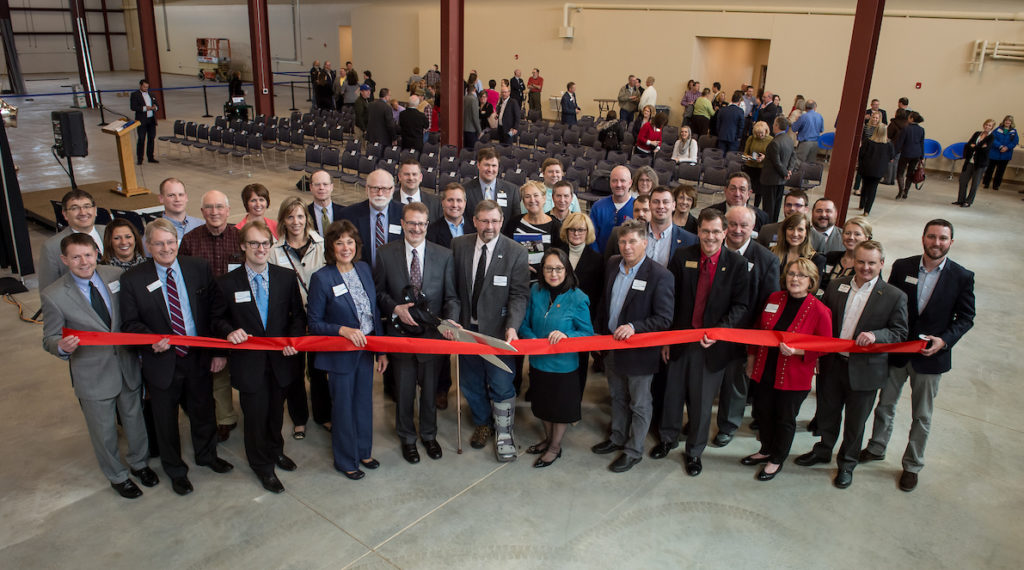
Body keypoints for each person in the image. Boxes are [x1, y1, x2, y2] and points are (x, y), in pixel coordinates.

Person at [119, 218, 234, 496]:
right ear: (148, 246)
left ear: (177, 243)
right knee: (166, 422)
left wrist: (219, 350)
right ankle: (175, 470)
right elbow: (130, 324)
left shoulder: (198, 268)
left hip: (197, 357)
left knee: (203, 411)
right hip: (161, 362)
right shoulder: (133, 279)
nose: (166, 248)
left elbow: (216, 312)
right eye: (158, 243)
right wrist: (150, 342)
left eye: (170, 242)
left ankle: (207, 456)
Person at [862, 220, 975, 492]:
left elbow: (966, 317)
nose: (937, 243)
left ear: (951, 242)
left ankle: (912, 465)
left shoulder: (962, 276)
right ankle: (877, 447)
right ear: (923, 238)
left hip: (930, 357)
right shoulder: (903, 267)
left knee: (922, 415)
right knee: (885, 404)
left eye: (943, 238)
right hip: (899, 351)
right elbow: (887, 301)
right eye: (932, 237)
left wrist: (945, 340)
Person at [41, 233, 157, 499]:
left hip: (126, 366)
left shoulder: (116, 275)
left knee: (135, 420)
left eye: (88, 254)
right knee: (103, 431)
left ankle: (140, 464)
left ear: (97, 253)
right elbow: (49, 338)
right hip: (92, 374)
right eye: (76, 257)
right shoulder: (54, 295)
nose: (84, 262)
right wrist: (61, 346)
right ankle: (117, 475)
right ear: (64, 260)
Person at [794, 240, 908, 489]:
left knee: (855, 422)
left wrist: (877, 336)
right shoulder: (837, 285)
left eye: (871, 263)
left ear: (881, 264)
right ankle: (823, 449)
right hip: (833, 364)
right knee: (828, 411)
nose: (865, 267)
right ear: (853, 261)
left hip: (865, 370)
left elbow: (900, 332)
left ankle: (847, 463)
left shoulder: (894, 296)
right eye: (860, 261)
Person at [652, 209, 749, 476]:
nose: (710, 237)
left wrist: (719, 331)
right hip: (681, 341)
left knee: (702, 403)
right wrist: (667, 339)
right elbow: (669, 300)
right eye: (705, 231)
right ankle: (668, 439)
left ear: (725, 232)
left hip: (712, 347)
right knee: (672, 396)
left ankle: (694, 452)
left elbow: (741, 306)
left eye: (716, 231)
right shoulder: (683, 257)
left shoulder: (738, 265)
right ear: (699, 232)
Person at [212, 221, 305, 493]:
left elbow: (297, 317)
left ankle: (276, 451)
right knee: (255, 417)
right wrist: (230, 331)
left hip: (280, 361)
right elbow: (216, 319)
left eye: (265, 243)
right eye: (254, 243)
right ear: (243, 246)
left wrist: (293, 341)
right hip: (249, 364)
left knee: (276, 413)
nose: (260, 249)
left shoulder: (285, 278)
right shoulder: (228, 283)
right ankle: (262, 466)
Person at [374, 202, 459, 464]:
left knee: (431, 391)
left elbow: (452, 297)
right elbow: (378, 293)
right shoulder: (385, 253)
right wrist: (395, 308)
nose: (417, 228)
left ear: (427, 225)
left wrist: (450, 321)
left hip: (433, 338)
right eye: (411, 223)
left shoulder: (444, 255)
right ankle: (408, 438)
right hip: (400, 337)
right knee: (404, 392)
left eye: (422, 223)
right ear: (402, 224)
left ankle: (429, 435)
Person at [591, 220, 675, 473]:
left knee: (639, 403)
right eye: (623, 241)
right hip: (611, 347)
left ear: (645, 243)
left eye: (633, 242)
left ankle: (634, 450)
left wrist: (635, 327)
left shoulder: (661, 276)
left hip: (640, 353)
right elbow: (605, 301)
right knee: (617, 397)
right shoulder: (612, 264)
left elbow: (664, 318)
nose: (627, 247)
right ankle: (617, 437)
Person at [307, 220, 387, 480]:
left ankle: (364, 451)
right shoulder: (322, 278)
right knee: (343, 408)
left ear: (357, 245)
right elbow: (314, 323)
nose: (345, 247)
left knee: (364, 404)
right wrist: (342, 330)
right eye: (339, 242)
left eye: (350, 242)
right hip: (339, 355)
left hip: (365, 352)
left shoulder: (363, 269)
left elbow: (374, 312)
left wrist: (381, 350)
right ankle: (345, 460)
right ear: (330, 246)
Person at [451, 200, 529, 461]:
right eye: (484, 221)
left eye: (495, 221)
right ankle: (483, 423)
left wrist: (513, 327)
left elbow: (519, 295)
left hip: (498, 333)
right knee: (470, 382)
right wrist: (452, 320)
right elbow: (452, 291)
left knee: (501, 382)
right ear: (474, 221)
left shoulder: (515, 251)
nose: (490, 226)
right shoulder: (459, 245)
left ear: (502, 220)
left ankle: (504, 432)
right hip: (467, 331)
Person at [742, 258, 832, 481]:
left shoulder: (820, 310)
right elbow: (757, 331)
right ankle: (765, 449)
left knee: (784, 418)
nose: (795, 279)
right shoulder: (774, 298)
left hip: (794, 376)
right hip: (765, 369)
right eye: (791, 274)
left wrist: (798, 351)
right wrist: (751, 360)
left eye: (801, 275)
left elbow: (826, 346)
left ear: (811, 280)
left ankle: (777, 458)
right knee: (762, 412)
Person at [713, 206, 780, 447]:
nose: (737, 230)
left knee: (734, 383)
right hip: (709, 332)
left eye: (744, 226)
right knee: (706, 380)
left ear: (753, 229)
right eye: (732, 224)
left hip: (743, 335)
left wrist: (755, 340)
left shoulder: (767, 260)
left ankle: (728, 425)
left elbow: (769, 303)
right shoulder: (712, 249)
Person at [520, 248, 593, 468]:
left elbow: (587, 333)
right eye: (549, 268)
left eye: (559, 268)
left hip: (563, 366)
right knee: (542, 405)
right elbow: (524, 324)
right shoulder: (535, 291)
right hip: (538, 361)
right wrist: (533, 340)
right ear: (542, 270)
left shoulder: (578, 298)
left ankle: (555, 447)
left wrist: (567, 335)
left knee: (559, 409)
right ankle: (548, 439)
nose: (553, 273)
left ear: (567, 270)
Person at [179, 190, 243, 440]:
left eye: (219, 207)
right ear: (202, 212)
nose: (215, 212)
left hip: (238, 313)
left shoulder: (240, 238)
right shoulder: (190, 240)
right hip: (204, 314)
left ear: (228, 210)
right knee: (216, 369)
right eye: (209, 208)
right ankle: (224, 418)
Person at [270, 197, 327, 439]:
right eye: (290, 216)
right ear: (283, 219)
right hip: (289, 318)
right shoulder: (273, 251)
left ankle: (324, 414)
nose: (296, 222)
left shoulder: (322, 244)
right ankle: (299, 418)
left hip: (318, 316)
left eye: (300, 216)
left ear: (307, 218)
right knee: (293, 370)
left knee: (318, 369)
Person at [560, 212, 604, 394]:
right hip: (558, 317)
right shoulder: (557, 254)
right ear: (566, 231)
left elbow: (599, 294)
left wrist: (594, 325)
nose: (576, 233)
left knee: (580, 363)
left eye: (581, 229)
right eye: (572, 229)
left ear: (588, 232)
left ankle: (574, 401)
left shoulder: (597, 259)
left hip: (582, 322)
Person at [38, 189, 106, 293]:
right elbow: (47, 291)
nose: (83, 213)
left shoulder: (110, 233)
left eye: (87, 206)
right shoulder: (52, 247)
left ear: (95, 210)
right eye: (75, 208)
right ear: (65, 214)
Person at [338, 169, 404, 266]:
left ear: (393, 189)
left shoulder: (404, 213)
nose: (380, 194)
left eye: (385, 189)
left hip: (394, 276)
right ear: (366, 189)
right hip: (362, 274)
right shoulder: (348, 215)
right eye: (375, 188)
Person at [505, 181, 564, 280]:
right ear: (523, 201)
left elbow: (561, 257)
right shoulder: (513, 223)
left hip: (546, 280)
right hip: (517, 278)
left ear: (544, 198)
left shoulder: (556, 226)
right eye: (527, 196)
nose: (532, 200)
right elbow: (504, 249)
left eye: (536, 195)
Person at [463, 147, 521, 231]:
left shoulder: (512, 190)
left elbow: (515, 222)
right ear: (478, 165)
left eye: (494, 166)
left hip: (502, 241)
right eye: (486, 165)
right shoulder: (465, 190)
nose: (490, 170)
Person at [819, 216, 872, 295]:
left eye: (857, 234)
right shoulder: (831, 257)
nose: (851, 237)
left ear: (866, 238)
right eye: (847, 233)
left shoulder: (869, 266)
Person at [770, 213, 826, 286]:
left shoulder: (816, 259)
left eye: (800, 230)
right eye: (791, 228)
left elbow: (813, 289)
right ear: (784, 231)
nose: (795, 234)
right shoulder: (770, 253)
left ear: (806, 233)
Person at [589, 166, 634, 255]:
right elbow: (591, 237)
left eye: (623, 181)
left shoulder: (637, 208)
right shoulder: (598, 206)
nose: (618, 185)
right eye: (614, 181)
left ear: (630, 183)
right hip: (599, 260)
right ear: (610, 183)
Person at [857, 113, 896, 215]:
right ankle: (867, 210)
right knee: (873, 189)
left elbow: (861, 154)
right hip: (878, 170)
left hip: (866, 168)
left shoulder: (868, 142)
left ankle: (861, 204)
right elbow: (892, 157)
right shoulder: (888, 145)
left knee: (865, 186)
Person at [954, 119, 996, 207]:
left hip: (980, 163)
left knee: (975, 183)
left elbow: (985, 149)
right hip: (970, 161)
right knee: (963, 180)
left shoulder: (991, 137)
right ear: (984, 125)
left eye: (990, 125)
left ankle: (968, 201)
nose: (987, 126)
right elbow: (969, 144)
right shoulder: (977, 133)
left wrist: (975, 147)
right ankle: (960, 200)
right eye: (986, 124)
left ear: (992, 127)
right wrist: (978, 147)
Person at [743, 120, 774, 214]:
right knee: (748, 187)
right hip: (750, 166)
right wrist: (750, 157)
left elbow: (772, 156)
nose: (759, 135)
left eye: (761, 133)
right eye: (757, 133)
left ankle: (755, 208)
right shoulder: (751, 139)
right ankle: (745, 206)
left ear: (766, 131)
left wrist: (764, 158)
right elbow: (744, 154)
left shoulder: (771, 140)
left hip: (762, 168)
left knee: (759, 190)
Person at [894, 111, 925, 200]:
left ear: (911, 119)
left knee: (900, 173)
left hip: (906, 153)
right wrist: (922, 156)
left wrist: (894, 153)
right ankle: (906, 192)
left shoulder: (906, 128)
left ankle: (901, 190)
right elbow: (921, 143)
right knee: (910, 173)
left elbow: (900, 143)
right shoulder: (921, 129)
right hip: (916, 154)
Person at [427, 183, 468, 249]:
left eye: (459, 200)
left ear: (465, 203)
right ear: (442, 203)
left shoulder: (475, 228)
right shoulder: (432, 231)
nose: (454, 205)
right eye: (450, 200)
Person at [982, 115, 1018, 191]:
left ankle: (996, 185)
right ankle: (986, 183)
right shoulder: (997, 130)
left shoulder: (1014, 132)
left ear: (1011, 122)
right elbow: (993, 139)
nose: (1007, 122)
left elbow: (1015, 142)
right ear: (1004, 121)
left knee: (1000, 171)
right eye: (1006, 120)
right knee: (990, 169)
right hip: (994, 153)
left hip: (1005, 155)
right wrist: (1000, 146)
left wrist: (1007, 147)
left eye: (1009, 121)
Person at [130, 79, 159, 165]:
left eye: (147, 87)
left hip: (151, 120)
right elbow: (133, 107)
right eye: (144, 87)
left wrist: (155, 107)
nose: (146, 88)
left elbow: (157, 105)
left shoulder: (152, 94)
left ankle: (151, 157)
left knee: (151, 138)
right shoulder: (135, 95)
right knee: (141, 139)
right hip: (142, 120)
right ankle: (140, 158)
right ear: (140, 86)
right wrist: (145, 108)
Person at [307, 170, 345, 237]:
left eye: (325, 184)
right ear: (311, 187)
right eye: (317, 184)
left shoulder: (345, 212)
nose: (321, 188)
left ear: (331, 187)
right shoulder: (304, 213)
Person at [791, 99, 824, 165]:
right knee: (810, 164)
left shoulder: (803, 117)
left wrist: (796, 120)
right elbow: (821, 130)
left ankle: (798, 175)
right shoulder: (819, 116)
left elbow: (794, 129)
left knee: (798, 163)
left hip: (805, 143)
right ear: (815, 107)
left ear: (805, 108)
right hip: (815, 143)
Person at [463, 83, 482, 148]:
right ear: (474, 90)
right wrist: (479, 130)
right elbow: (475, 116)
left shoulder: (463, 98)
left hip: (464, 128)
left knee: (465, 150)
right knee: (472, 151)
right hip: (472, 129)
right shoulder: (474, 99)